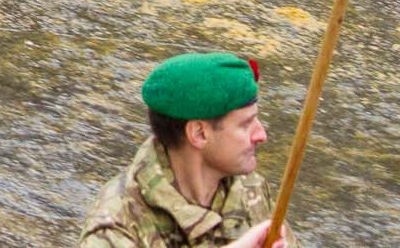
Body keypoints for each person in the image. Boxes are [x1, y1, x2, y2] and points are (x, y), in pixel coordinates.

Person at [80, 52, 292, 248]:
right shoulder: (117, 224)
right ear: (199, 133)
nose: (261, 135)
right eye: (246, 124)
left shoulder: (250, 189)